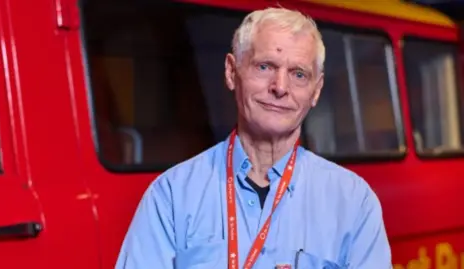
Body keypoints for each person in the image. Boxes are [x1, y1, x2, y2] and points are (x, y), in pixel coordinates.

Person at [115, 7, 392, 269]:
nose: (280, 87)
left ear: (316, 90)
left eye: (298, 74)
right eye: (265, 67)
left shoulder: (354, 202)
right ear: (231, 72)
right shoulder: (171, 197)